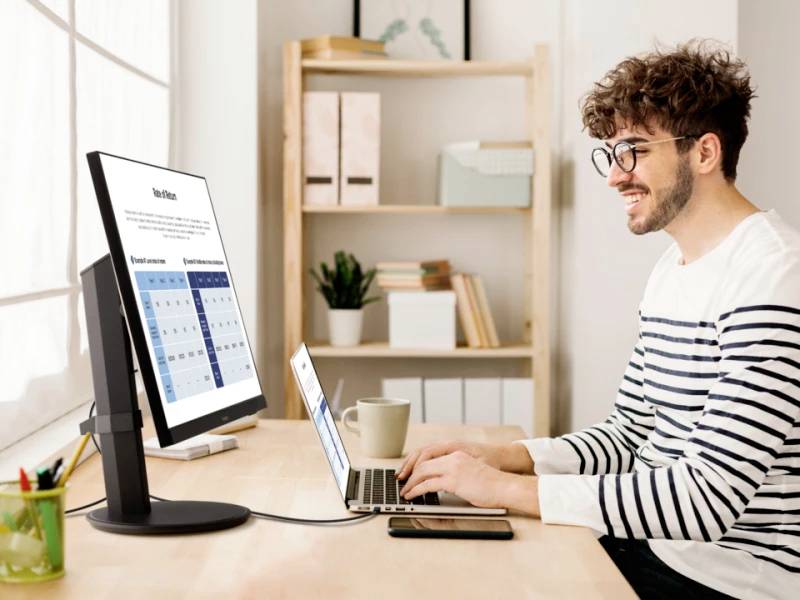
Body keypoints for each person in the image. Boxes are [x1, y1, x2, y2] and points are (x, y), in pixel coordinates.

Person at [396, 40, 800, 599]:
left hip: (728, 576)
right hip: (656, 547)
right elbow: (628, 437)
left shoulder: (773, 277)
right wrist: (505, 459)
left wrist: (501, 490)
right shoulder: (672, 269)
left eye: (633, 150)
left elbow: (706, 499)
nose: (615, 176)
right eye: (611, 154)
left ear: (704, 152)